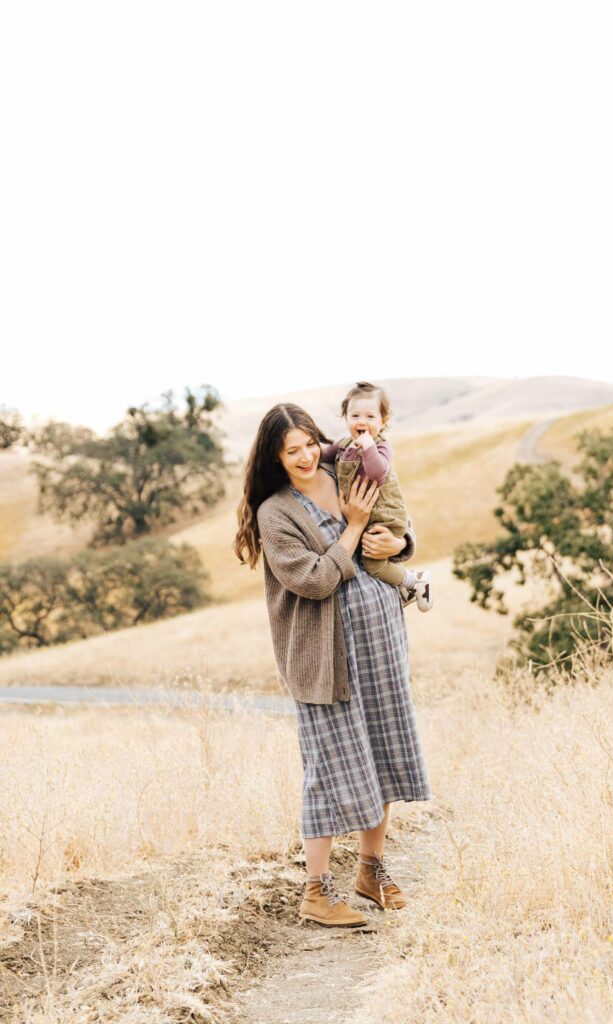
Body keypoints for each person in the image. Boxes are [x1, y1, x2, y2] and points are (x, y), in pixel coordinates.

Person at [233, 403, 433, 928]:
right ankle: (316, 892)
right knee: (328, 769)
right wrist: (355, 527)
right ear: (274, 457)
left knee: (385, 752)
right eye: (289, 450)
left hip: (381, 643)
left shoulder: (340, 470)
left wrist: (401, 542)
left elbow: (394, 517)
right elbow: (317, 580)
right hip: (326, 660)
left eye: (307, 445)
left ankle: (371, 870)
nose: (303, 457)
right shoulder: (275, 512)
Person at [320, 381, 432, 611]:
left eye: (370, 416)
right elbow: (322, 457)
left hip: (385, 517)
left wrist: (368, 446)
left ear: (383, 422)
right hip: (365, 517)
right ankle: (403, 587)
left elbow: (377, 472)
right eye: (355, 415)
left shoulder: (381, 448)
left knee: (374, 564)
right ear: (345, 418)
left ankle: (415, 582)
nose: (362, 421)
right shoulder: (342, 446)